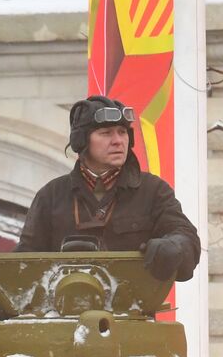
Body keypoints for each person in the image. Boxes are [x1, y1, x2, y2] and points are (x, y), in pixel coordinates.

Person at [15, 95, 201, 284]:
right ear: (81, 141)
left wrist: (175, 246)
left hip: (133, 309)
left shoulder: (153, 190)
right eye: (106, 133)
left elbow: (186, 236)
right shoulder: (51, 195)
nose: (118, 141)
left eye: (122, 132)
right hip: (63, 310)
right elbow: (22, 262)